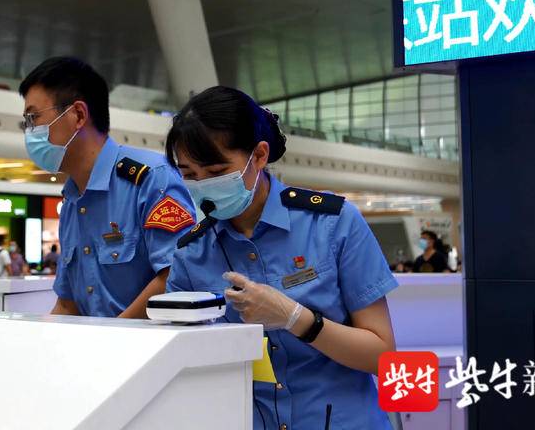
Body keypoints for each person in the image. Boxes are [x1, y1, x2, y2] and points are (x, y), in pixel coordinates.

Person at [164, 86, 397, 430]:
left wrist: (296, 318)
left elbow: (384, 357)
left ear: (259, 155)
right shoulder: (191, 254)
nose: (202, 185)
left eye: (215, 172)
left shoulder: (333, 223)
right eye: (189, 175)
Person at [19, 57, 196, 318]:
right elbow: (68, 304)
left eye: (33, 118)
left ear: (79, 115)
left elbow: (174, 276)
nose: (29, 131)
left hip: (146, 343)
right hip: (100, 343)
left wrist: (113, 333)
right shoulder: (71, 201)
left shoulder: (151, 179)